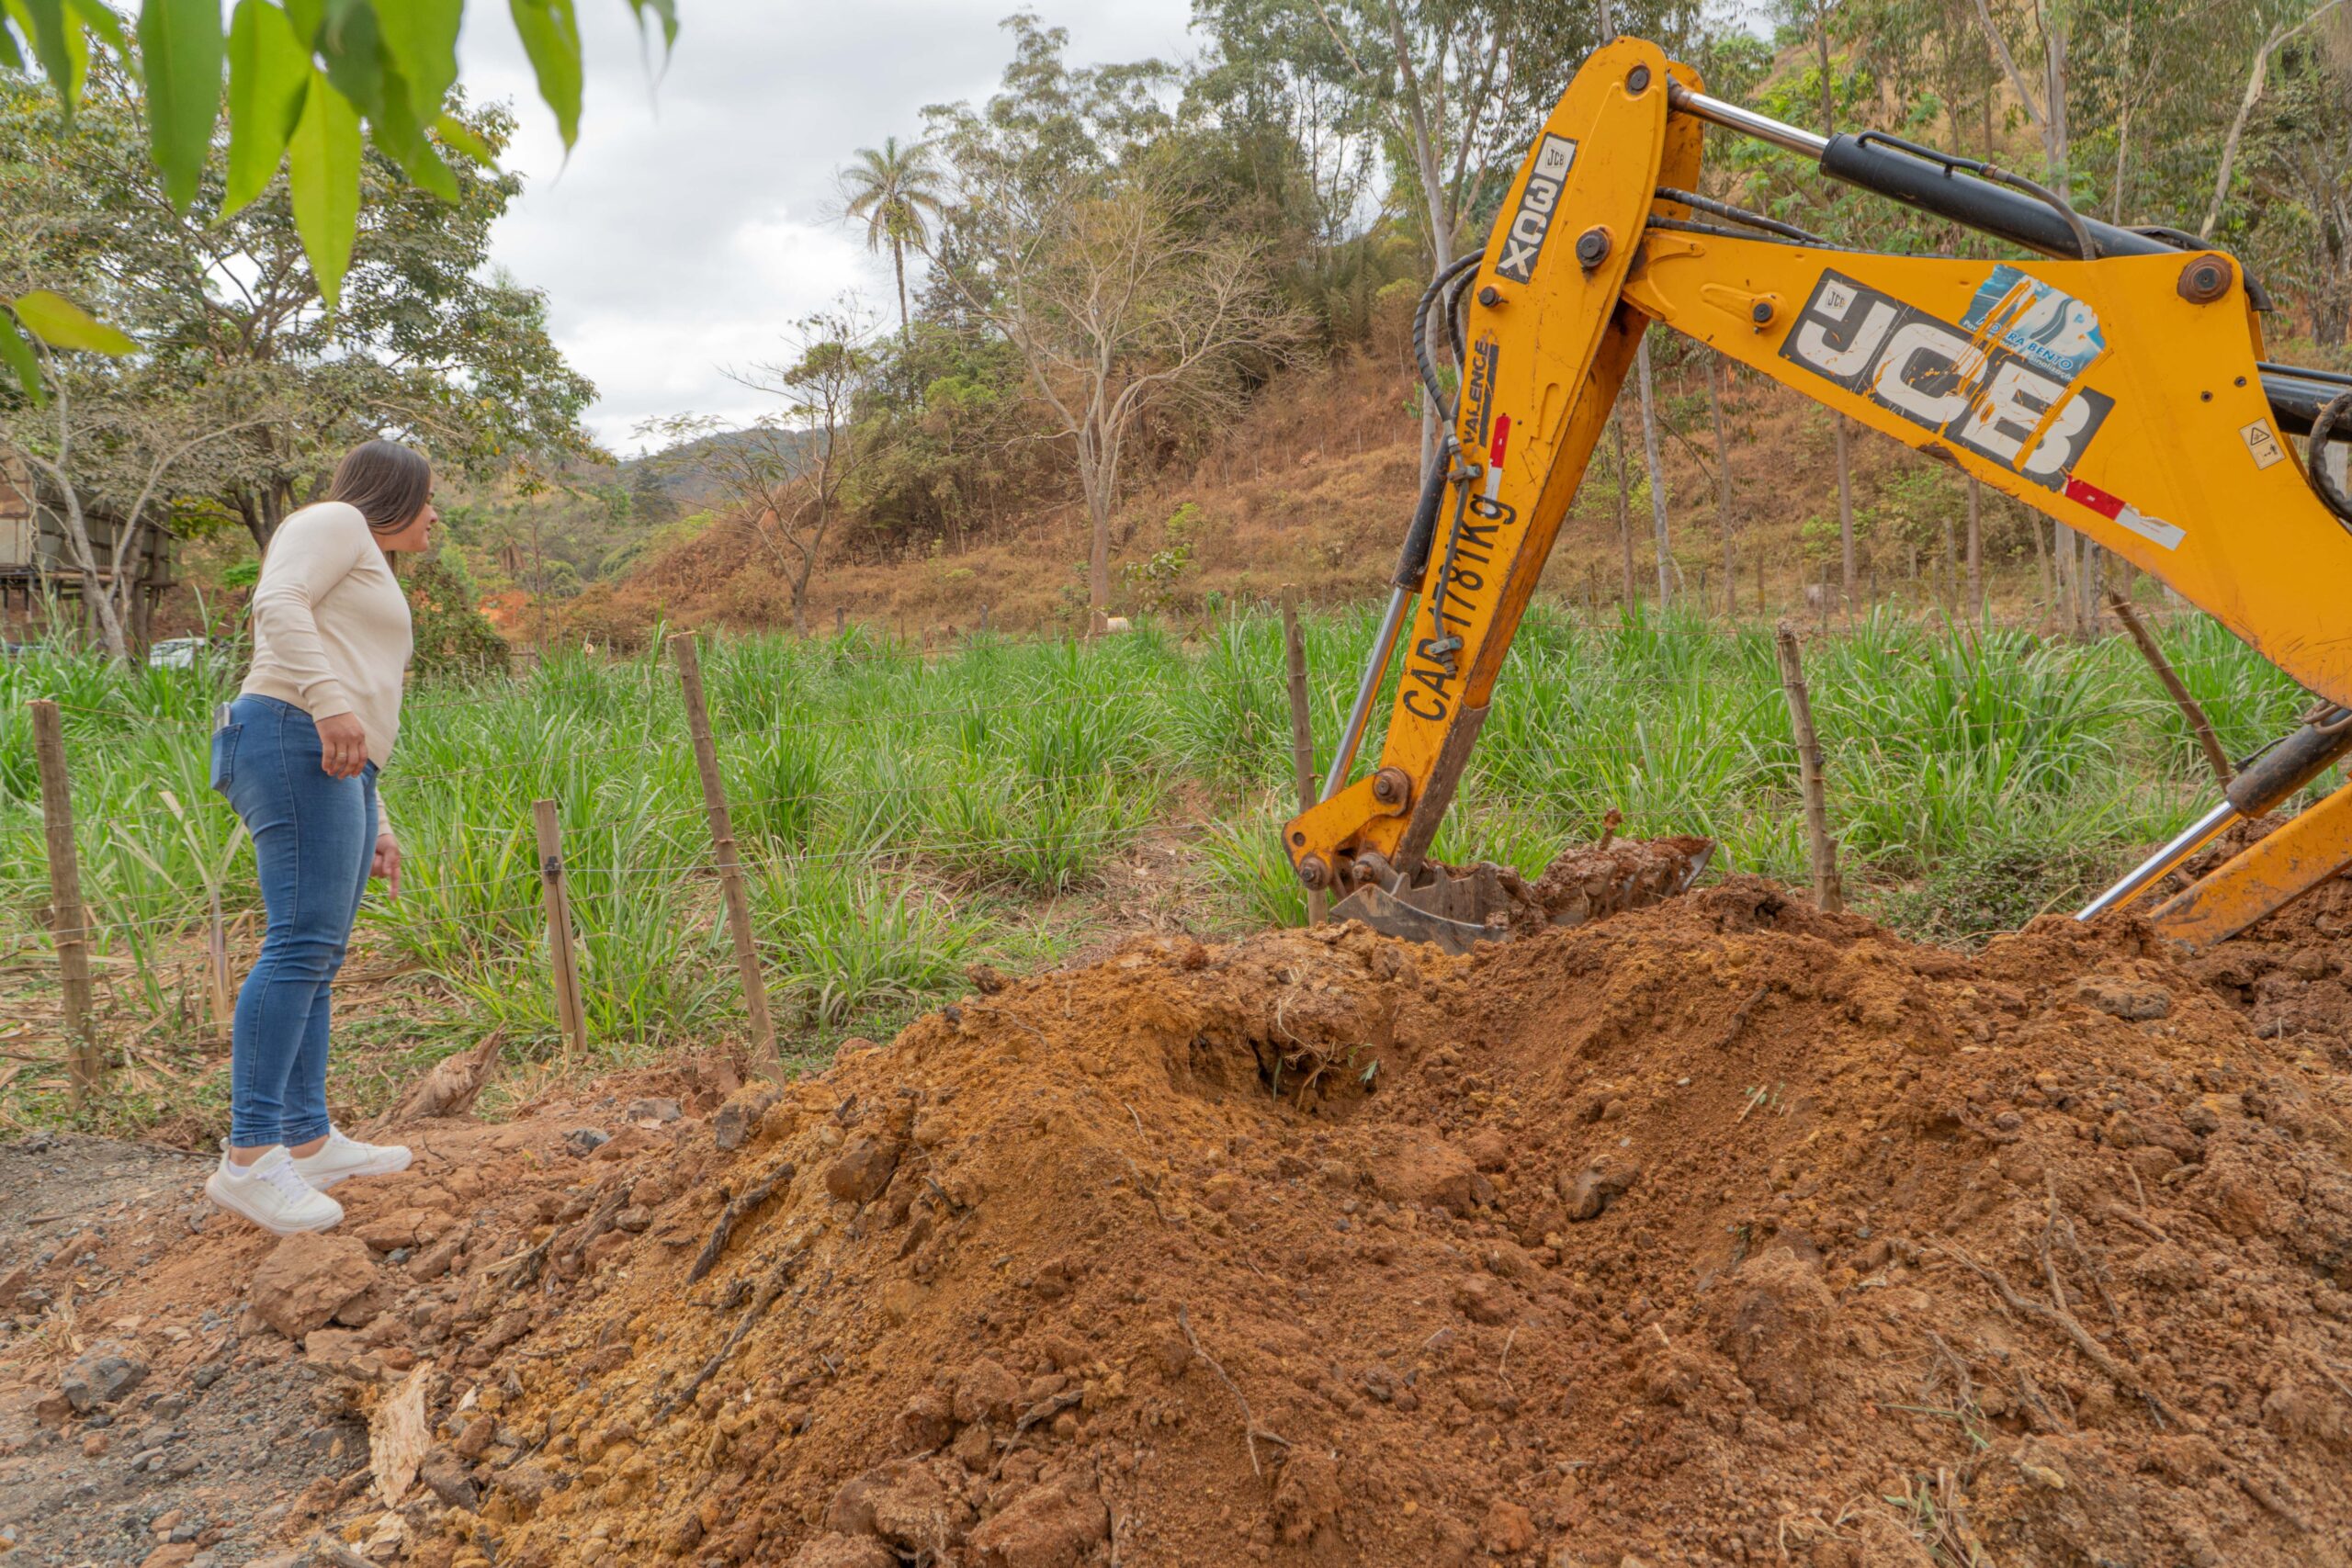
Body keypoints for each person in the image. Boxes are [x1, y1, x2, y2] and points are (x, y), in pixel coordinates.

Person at [204, 440, 434, 1234]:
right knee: (299, 944)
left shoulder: (367, 558)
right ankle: (249, 1157)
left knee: (320, 953)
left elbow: (358, 697)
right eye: (427, 497)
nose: (434, 515)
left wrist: (378, 817)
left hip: (332, 755)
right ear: (394, 493)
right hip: (290, 730)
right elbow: (277, 601)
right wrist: (330, 702)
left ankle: (307, 1140)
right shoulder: (335, 519)